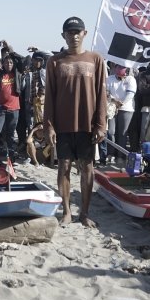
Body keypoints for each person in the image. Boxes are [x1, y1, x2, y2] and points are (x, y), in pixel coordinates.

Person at [43, 17, 107, 227]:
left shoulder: (95, 59)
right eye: (70, 32)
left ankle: (85, 213)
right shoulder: (55, 62)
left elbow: (102, 94)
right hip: (62, 124)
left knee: (87, 167)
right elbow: (49, 96)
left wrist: (101, 125)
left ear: (84, 34)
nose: (74, 36)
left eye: (77, 32)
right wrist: (49, 126)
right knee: (63, 166)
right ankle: (67, 211)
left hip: (87, 124)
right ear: (63, 35)